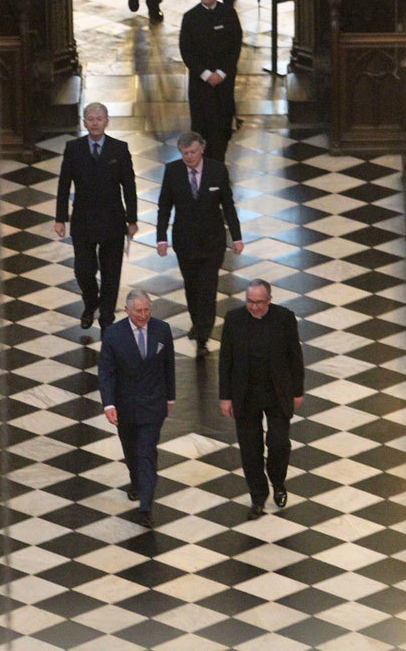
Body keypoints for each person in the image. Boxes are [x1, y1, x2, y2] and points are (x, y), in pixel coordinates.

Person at [218, 280, 304, 520]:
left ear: (269, 300)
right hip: (245, 394)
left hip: (277, 393)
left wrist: (298, 390)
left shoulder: (284, 318)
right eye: (249, 302)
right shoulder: (234, 319)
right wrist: (225, 396)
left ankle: (278, 481)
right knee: (250, 449)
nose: (253, 307)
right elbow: (225, 360)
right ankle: (258, 496)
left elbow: (295, 356)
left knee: (278, 443)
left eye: (258, 302)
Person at [156, 131, 242, 355]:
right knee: (192, 288)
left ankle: (203, 335)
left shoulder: (217, 170)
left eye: (192, 152)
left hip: (212, 242)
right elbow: (164, 206)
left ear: (201, 149)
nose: (189, 157)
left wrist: (237, 237)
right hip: (185, 243)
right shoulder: (172, 171)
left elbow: (229, 206)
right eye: (184, 153)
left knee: (208, 288)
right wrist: (161, 237)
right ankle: (197, 323)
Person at [55, 103, 139, 331]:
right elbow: (64, 184)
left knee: (112, 272)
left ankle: (107, 317)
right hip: (83, 221)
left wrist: (132, 220)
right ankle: (91, 302)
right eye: (90, 119)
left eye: (99, 119)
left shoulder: (119, 149)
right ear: (84, 122)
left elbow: (129, 186)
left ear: (106, 121)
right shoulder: (74, 148)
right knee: (83, 270)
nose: (94, 123)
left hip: (112, 221)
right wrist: (60, 218)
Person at [99, 289, 175, 528]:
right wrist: (109, 404)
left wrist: (170, 397)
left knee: (146, 452)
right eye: (139, 311)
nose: (144, 315)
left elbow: (169, 365)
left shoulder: (162, 329)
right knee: (131, 449)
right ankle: (135, 480)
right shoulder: (113, 334)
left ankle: (145, 506)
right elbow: (106, 372)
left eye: (147, 310)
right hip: (125, 406)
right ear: (127, 310)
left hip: (153, 404)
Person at [179, 0, 242, 163]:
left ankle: (219, 163)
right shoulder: (190, 18)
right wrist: (206, 74)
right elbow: (186, 51)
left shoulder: (229, 14)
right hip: (201, 84)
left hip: (224, 82)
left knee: (223, 124)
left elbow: (235, 46)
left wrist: (222, 73)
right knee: (201, 125)